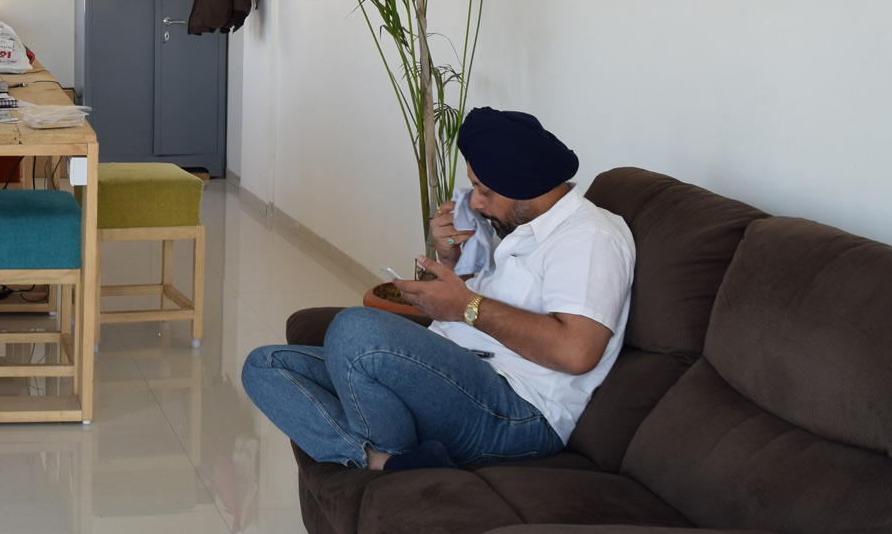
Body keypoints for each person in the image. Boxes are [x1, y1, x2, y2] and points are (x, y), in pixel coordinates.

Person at [240, 107, 635, 471]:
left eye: (484, 190)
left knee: (355, 331)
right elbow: (488, 309)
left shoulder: (589, 237)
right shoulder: (523, 230)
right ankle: (384, 462)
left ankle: (392, 456)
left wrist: (467, 306)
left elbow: (576, 351)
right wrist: (451, 264)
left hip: (517, 412)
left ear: (523, 185)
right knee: (264, 365)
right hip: (460, 379)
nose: (475, 203)